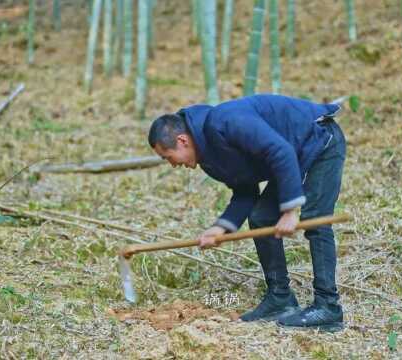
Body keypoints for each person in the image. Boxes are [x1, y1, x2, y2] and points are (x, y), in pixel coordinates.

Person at [147, 94, 346, 332]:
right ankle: (280, 297)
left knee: (315, 220)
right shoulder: (208, 158)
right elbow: (245, 191)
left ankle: (328, 307)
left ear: (182, 141)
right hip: (292, 156)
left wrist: (290, 210)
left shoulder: (224, 121)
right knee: (261, 217)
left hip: (317, 141)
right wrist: (220, 227)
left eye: (168, 157)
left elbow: (280, 151)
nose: (172, 164)